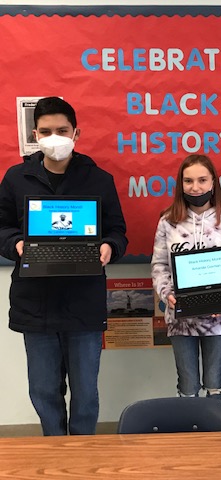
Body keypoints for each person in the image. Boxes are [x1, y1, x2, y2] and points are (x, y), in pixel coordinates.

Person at [0, 96, 128, 436]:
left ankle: (84, 456)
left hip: (83, 300)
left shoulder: (98, 179)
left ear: (76, 133)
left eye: (62, 130)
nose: (54, 137)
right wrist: (15, 243)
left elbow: (118, 232)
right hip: (34, 301)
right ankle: (54, 452)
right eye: (46, 131)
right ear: (35, 135)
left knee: (85, 394)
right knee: (43, 391)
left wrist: (108, 247)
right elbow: (1, 227)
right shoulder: (16, 178)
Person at [151, 154, 221, 399]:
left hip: (217, 317)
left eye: (202, 180)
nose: (195, 187)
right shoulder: (167, 222)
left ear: (213, 183)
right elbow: (159, 265)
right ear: (181, 184)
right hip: (180, 316)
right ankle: (189, 434)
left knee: (214, 380)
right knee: (188, 384)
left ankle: (216, 434)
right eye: (188, 181)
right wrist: (167, 293)